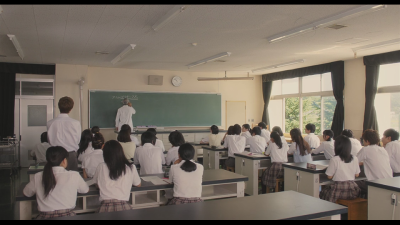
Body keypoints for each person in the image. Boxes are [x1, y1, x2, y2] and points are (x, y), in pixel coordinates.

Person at [23, 146, 89, 219]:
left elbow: (27, 193)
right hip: (68, 217)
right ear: (64, 160)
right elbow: (85, 190)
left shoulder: (38, 176)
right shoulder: (74, 175)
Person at [91, 140, 141, 213]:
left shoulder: (101, 166)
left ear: (105, 154)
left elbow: (97, 184)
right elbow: (138, 184)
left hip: (105, 207)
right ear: (121, 152)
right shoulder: (131, 167)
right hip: (124, 206)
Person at [319, 135, 361, 203]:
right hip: (352, 189)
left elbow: (329, 176)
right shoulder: (354, 158)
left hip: (339, 189)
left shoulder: (334, 159)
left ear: (337, 147)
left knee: (323, 193)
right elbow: (357, 175)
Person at [47, 96, 81, 171]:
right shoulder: (76, 123)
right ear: (71, 109)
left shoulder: (50, 123)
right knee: (72, 179)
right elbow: (78, 140)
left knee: (56, 179)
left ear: (59, 107)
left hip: (55, 156)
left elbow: (49, 140)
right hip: (71, 155)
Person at [356, 129, 393, 198]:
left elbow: (354, 162)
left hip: (375, 183)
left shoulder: (365, 149)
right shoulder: (382, 150)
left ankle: (358, 206)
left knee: (352, 185)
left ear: (367, 141)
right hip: (389, 181)